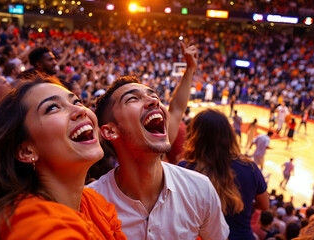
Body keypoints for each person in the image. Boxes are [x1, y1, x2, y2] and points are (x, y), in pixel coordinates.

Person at [0, 77, 126, 239]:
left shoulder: (93, 202)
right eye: (53, 108)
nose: (81, 110)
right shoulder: (35, 227)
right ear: (26, 151)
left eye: (76, 101)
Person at [88, 42, 230, 239]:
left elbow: (177, 108)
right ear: (110, 131)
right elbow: (177, 108)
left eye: (154, 96)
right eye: (132, 99)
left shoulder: (200, 189)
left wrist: (190, 70)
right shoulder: (88, 204)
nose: (154, 101)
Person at [179, 109, 269, 240]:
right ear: (230, 135)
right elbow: (265, 205)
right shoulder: (250, 167)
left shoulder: (184, 168)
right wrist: (244, 205)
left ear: (194, 136)